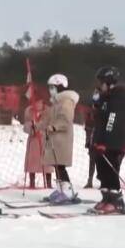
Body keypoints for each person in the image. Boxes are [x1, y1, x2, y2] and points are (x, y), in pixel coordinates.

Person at [91, 66, 125, 214]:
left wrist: (105, 141)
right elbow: (100, 117)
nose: (99, 85)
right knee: (101, 170)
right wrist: (96, 104)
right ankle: (106, 198)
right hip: (102, 140)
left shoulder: (118, 97)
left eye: (101, 82)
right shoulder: (105, 97)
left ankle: (116, 200)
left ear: (108, 82)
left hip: (113, 141)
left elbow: (112, 120)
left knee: (111, 170)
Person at [37, 74, 80, 204]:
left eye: (53, 87)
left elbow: (65, 119)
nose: (51, 90)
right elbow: (48, 119)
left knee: (60, 166)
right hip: (55, 140)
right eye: (49, 87)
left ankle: (67, 192)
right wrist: (38, 126)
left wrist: (54, 127)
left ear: (60, 87)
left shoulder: (66, 101)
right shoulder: (56, 103)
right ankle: (60, 189)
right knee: (57, 166)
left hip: (61, 140)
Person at [23, 94, 50, 189]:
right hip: (33, 140)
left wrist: (41, 128)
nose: (37, 104)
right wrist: (32, 128)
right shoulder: (28, 111)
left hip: (45, 140)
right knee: (32, 162)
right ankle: (32, 182)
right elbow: (25, 126)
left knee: (47, 163)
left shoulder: (48, 111)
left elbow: (50, 124)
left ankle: (48, 183)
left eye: (39, 101)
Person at [83, 94, 98, 188]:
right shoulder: (89, 115)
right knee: (92, 161)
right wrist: (88, 141)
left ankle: (103, 181)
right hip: (92, 143)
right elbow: (87, 129)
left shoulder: (102, 113)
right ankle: (90, 180)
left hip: (101, 142)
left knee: (101, 162)